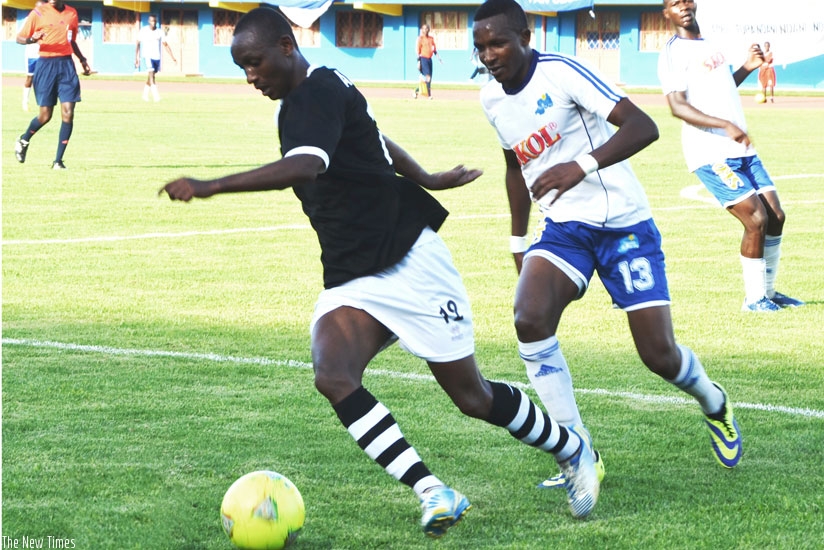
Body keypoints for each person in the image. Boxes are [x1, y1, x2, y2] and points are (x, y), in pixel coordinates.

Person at [160, 6, 600, 538]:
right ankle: (433, 491)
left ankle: (571, 448)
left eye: (254, 63)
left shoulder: (318, 91)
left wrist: (210, 186)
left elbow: (308, 165)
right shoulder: (308, 96)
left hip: (409, 259)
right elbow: (374, 136)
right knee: (333, 373)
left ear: (285, 46)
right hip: (354, 274)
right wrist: (426, 177)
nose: (250, 77)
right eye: (242, 68)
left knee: (473, 398)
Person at [471, 0, 743, 491]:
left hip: (624, 223)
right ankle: (577, 451)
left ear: (525, 38)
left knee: (659, 355)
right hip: (564, 227)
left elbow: (643, 125)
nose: (489, 55)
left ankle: (714, 401)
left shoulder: (561, 72)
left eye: (498, 43)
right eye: (480, 47)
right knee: (529, 318)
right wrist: (517, 237)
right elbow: (515, 166)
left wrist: (580, 166)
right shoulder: (491, 98)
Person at [658, 0, 803, 312]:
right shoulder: (673, 52)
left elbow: (721, 88)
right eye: (674, 3)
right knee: (756, 218)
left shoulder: (710, 43)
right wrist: (725, 125)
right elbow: (677, 106)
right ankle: (754, 299)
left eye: (686, 0)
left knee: (775, 216)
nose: (683, 6)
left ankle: (769, 293)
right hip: (710, 151)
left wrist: (747, 67)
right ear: (666, 13)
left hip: (741, 148)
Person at [14, 0, 91, 170]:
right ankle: (24, 140)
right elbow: (19, 38)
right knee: (45, 116)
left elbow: (71, 40)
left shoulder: (72, 13)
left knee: (68, 113)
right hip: (46, 65)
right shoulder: (38, 13)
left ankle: (58, 161)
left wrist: (82, 60)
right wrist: (31, 39)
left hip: (66, 65)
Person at [135, 14, 176, 102]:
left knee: (152, 76)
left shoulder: (159, 32)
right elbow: (137, 43)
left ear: (156, 22)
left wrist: (172, 57)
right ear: (148, 21)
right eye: (151, 21)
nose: (153, 22)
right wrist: (137, 57)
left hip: (156, 57)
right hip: (147, 56)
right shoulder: (143, 31)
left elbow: (165, 44)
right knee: (151, 75)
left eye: (154, 21)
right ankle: (156, 97)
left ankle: (145, 95)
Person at [22, 1, 45, 112]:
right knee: (30, 77)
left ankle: (43, 102)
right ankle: (25, 101)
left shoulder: (49, 20)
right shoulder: (28, 20)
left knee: (45, 78)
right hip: (32, 54)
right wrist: (33, 39)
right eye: (38, 8)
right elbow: (21, 37)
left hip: (45, 54)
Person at [413, 24, 441, 99]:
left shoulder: (431, 39)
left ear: (429, 30)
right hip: (423, 59)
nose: (425, 30)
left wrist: (438, 58)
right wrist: (418, 61)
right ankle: (429, 95)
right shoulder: (420, 39)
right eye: (424, 29)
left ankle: (416, 91)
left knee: (429, 79)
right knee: (428, 77)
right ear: (422, 30)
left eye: (427, 28)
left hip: (429, 60)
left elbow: (434, 49)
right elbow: (418, 51)